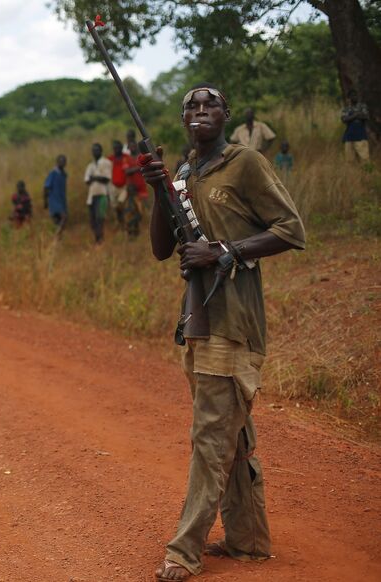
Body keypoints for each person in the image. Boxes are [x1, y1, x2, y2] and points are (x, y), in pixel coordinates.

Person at [141, 84, 305, 582]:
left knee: (211, 437)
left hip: (235, 323)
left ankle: (184, 551)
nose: (199, 110)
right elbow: (161, 250)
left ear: (225, 115)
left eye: (209, 103)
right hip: (199, 320)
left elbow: (291, 229)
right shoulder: (187, 173)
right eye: (190, 105)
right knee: (231, 432)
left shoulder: (246, 162)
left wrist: (225, 251)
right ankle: (248, 540)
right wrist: (160, 191)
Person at [83, 143, 112, 244]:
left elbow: (106, 179)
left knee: (100, 217)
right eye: (93, 150)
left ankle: (99, 240)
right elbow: (87, 180)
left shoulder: (106, 162)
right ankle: (98, 238)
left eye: (97, 150)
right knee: (92, 220)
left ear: (101, 151)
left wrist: (94, 177)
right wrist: (97, 177)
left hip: (102, 194)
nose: (95, 152)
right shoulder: (90, 165)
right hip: (91, 196)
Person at [108, 140, 138, 232]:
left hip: (124, 186)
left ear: (121, 148)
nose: (116, 150)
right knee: (115, 206)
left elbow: (130, 169)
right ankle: (120, 222)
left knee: (122, 204)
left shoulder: (126, 157)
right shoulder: (110, 159)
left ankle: (125, 224)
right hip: (113, 186)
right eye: (115, 148)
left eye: (118, 148)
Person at [341, 89, 371, 163]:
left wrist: (351, 117)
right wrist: (356, 115)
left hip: (360, 135)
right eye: (353, 96)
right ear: (349, 98)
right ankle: (353, 174)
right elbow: (344, 119)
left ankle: (368, 173)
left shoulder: (362, 106)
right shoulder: (346, 108)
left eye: (356, 95)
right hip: (349, 136)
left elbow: (366, 116)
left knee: (364, 158)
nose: (355, 97)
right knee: (350, 160)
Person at [43, 154, 68, 236]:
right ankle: (56, 236)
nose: (62, 163)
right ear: (57, 162)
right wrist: (45, 201)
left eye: (64, 161)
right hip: (54, 200)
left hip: (62, 200)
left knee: (58, 222)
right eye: (60, 161)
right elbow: (46, 187)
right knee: (63, 217)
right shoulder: (53, 173)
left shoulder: (64, 175)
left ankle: (56, 241)